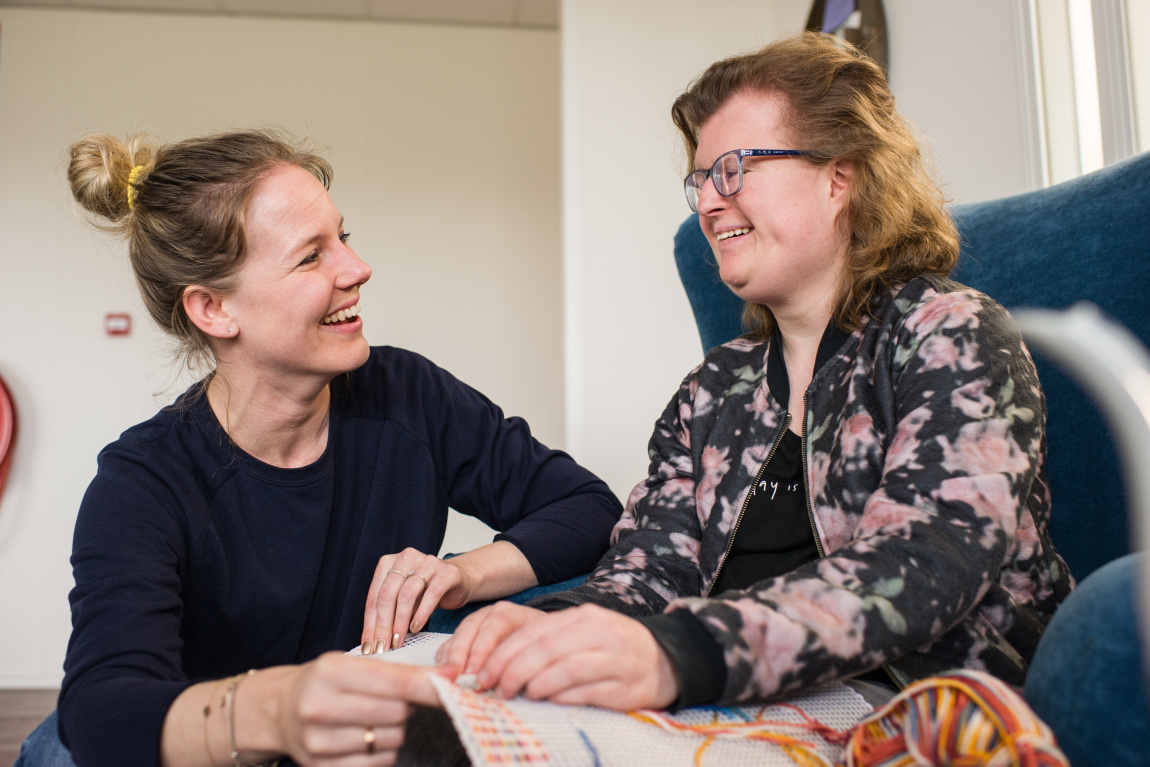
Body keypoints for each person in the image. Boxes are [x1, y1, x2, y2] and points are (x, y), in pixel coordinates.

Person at [436, 32, 1074, 712]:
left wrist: (681, 652)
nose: (709, 202)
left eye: (735, 168)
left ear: (840, 177)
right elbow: (647, 569)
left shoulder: (948, 334)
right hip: (733, 711)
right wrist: (548, 626)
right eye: (702, 178)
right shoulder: (713, 389)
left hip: (914, 712)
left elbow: (922, 565)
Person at [24, 130, 622, 767]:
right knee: (64, 747)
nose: (356, 268)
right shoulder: (143, 481)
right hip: (223, 744)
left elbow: (589, 508)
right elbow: (104, 709)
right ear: (214, 308)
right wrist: (280, 710)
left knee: (568, 592)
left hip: (354, 727)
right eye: (311, 257)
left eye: (344, 236)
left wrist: (463, 573)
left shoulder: (406, 392)